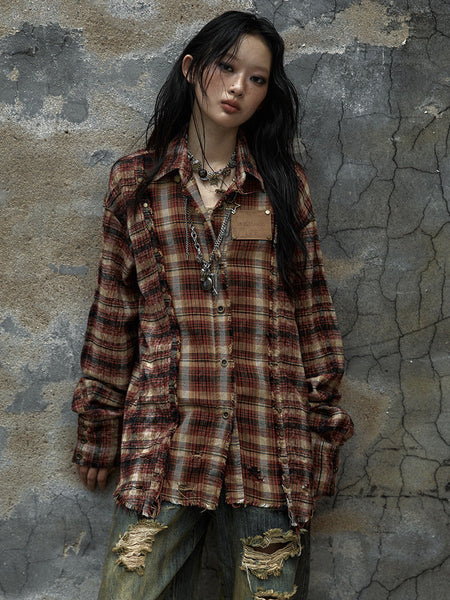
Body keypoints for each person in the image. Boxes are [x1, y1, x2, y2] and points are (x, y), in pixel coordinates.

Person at [72, 10, 354, 600]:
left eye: (257, 78)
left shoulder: (282, 185)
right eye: (226, 67)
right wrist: (98, 426)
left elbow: (312, 313)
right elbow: (113, 312)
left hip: (269, 450)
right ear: (190, 68)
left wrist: (322, 438)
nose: (237, 87)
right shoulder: (136, 184)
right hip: (165, 447)